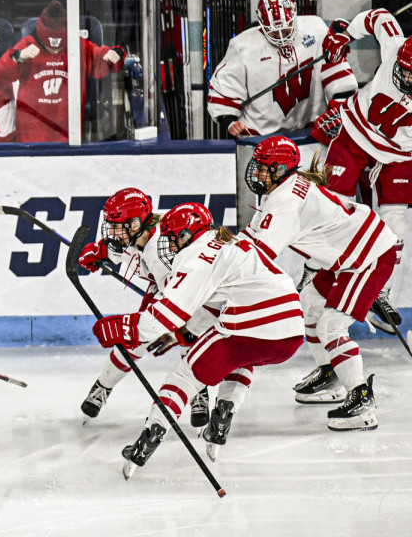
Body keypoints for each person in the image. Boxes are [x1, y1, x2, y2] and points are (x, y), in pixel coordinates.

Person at [92, 203, 304, 476]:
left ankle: (147, 441)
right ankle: (223, 417)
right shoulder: (230, 241)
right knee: (241, 356)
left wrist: (122, 327)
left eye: (170, 238)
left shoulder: (197, 256)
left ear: (184, 235)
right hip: (289, 333)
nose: (168, 245)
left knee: (184, 376)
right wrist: (182, 333)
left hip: (250, 326)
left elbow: (163, 316)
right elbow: (213, 307)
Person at [242, 136, 397, 431]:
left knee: (330, 326)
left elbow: (259, 256)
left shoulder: (285, 200)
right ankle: (331, 373)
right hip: (350, 254)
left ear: (280, 170)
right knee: (310, 304)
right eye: (258, 166)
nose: (258, 174)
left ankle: (362, 398)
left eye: (264, 168)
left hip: (367, 256)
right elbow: (252, 240)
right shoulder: (283, 188)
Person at [309, 7, 412, 330]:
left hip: (398, 156)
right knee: (332, 211)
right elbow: (379, 16)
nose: (406, 77)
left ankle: (376, 292)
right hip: (354, 136)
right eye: (405, 70)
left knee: (396, 225)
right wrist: (345, 34)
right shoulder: (397, 47)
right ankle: (312, 278)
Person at [75, 189, 214, 428]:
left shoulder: (160, 251)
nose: (113, 233)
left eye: (117, 226)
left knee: (187, 336)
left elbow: (183, 299)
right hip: (165, 288)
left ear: (137, 223)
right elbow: (122, 249)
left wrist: (176, 329)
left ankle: (197, 390)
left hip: (190, 293)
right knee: (133, 341)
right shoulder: (136, 235)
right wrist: (100, 252)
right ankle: (103, 386)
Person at [207, 0, 357, 137]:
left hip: (310, 131)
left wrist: (339, 103)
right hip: (260, 135)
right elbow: (226, 85)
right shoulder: (243, 46)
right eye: (273, 33)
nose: (280, 37)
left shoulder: (316, 29)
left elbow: (335, 67)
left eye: (285, 31)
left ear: (294, 14)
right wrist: (229, 121)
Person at [0, 0, 125, 143]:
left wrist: (116, 54)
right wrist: (18, 57)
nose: (55, 50)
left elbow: (104, 60)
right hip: (31, 134)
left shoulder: (79, 46)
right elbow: (1, 73)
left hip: (68, 132)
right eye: (49, 47)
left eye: (59, 47)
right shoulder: (27, 45)